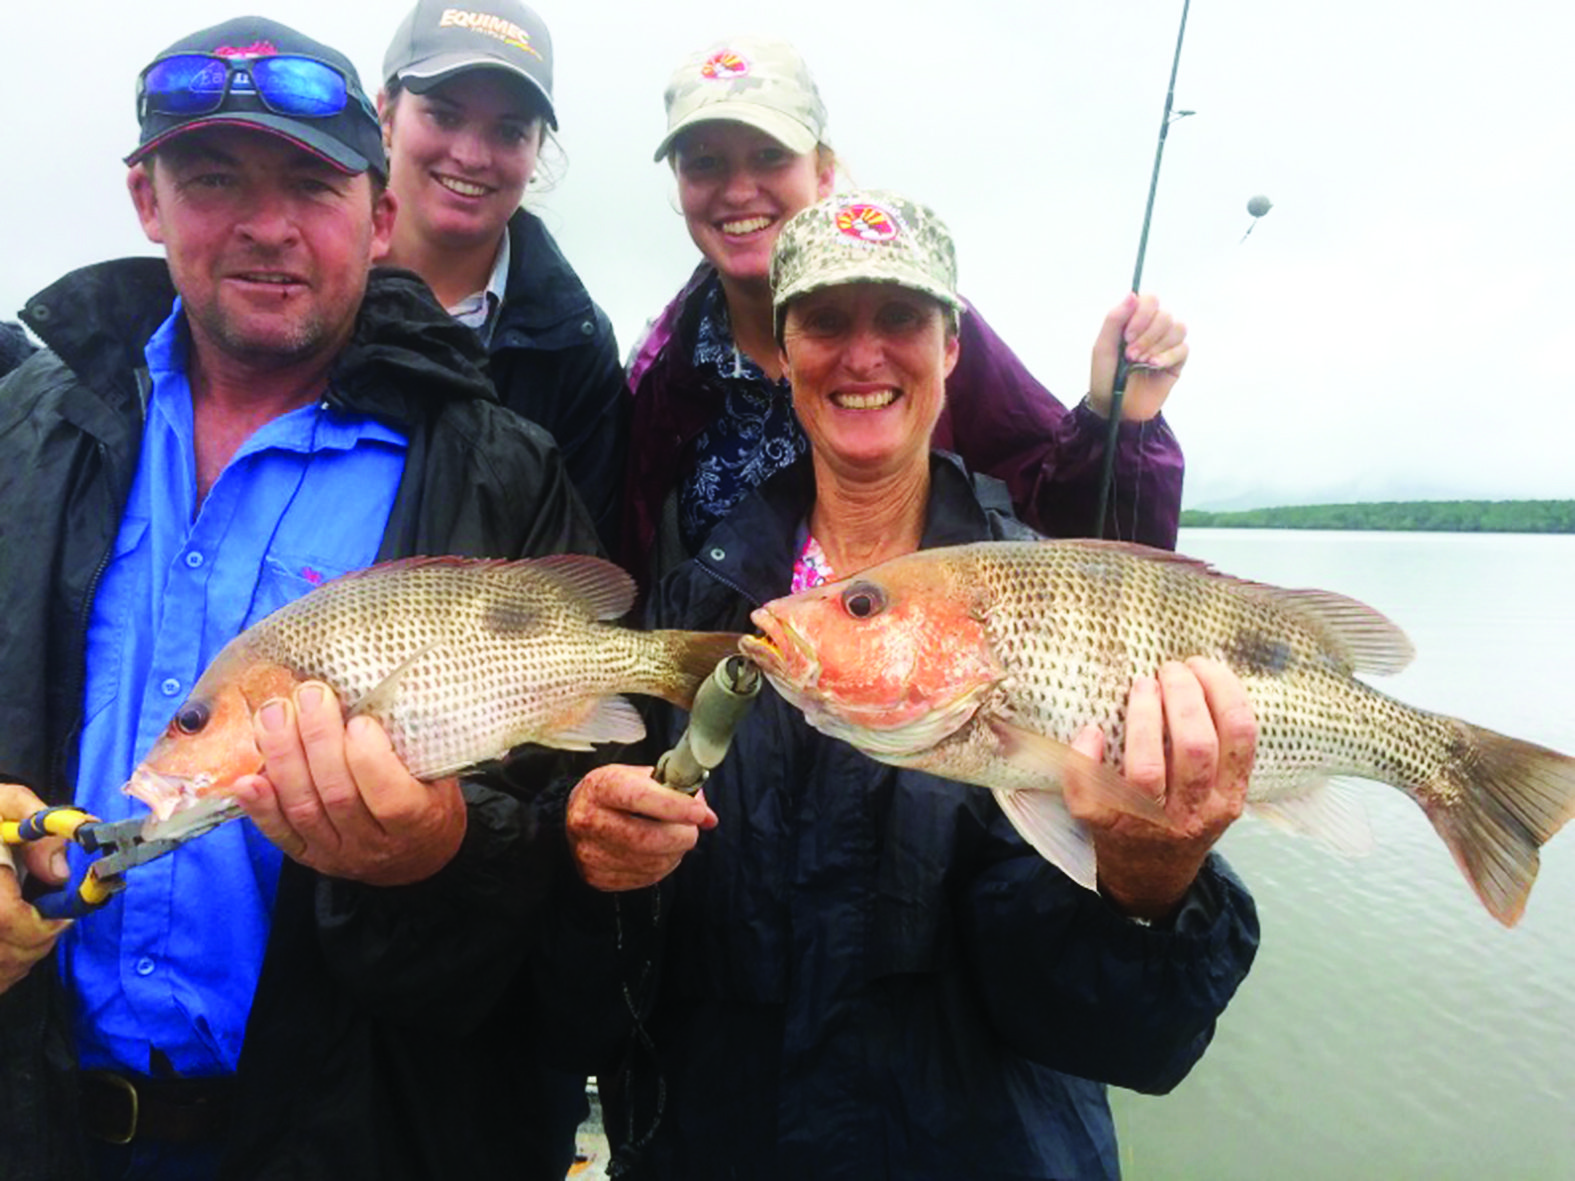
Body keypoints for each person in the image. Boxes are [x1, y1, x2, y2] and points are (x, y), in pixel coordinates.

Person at [0, 17, 609, 1181]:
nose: (266, 224)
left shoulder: (499, 468)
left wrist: (444, 848)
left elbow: (574, 860)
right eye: (214, 176)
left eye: (310, 184)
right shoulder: (23, 436)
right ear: (146, 198)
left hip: (345, 1138)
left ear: (379, 217)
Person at [563, 191, 1261, 1179]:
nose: (863, 354)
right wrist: (593, 855)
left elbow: (1128, 1042)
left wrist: (1146, 897)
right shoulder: (696, 602)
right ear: (785, 347)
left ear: (952, 349)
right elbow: (610, 976)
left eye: (901, 318)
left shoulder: (1041, 603)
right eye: (826, 321)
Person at [621, 35, 1188, 586]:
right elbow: (630, 560)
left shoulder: (935, 328)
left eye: (769, 156)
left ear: (822, 173)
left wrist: (1117, 422)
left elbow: (1075, 549)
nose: (739, 190)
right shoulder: (662, 371)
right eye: (705, 164)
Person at [377, 0, 628, 552]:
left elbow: (580, 581)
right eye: (443, 115)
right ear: (385, 116)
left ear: (538, 150)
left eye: (510, 131)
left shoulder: (576, 349)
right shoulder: (305, 287)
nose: (471, 155)